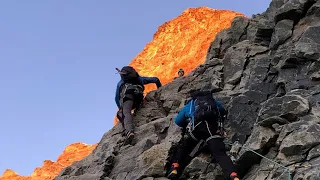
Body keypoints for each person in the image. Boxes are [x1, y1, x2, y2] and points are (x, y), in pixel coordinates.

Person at [167, 90, 239, 180]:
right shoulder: (213, 102)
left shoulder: (190, 105)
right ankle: (233, 175)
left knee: (184, 147)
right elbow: (223, 112)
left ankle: (175, 168)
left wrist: (189, 121)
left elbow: (178, 121)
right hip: (212, 131)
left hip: (197, 130)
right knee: (220, 154)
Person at [115, 66, 162, 145]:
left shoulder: (121, 83)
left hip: (128, 97)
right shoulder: (139, 79)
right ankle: (127, 129)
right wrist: (160, 89)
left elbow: (117, 98)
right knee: (126, 111)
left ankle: (128, 131)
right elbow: (155, 79)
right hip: (138, 99)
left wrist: (120, 107)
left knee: (124, 113)